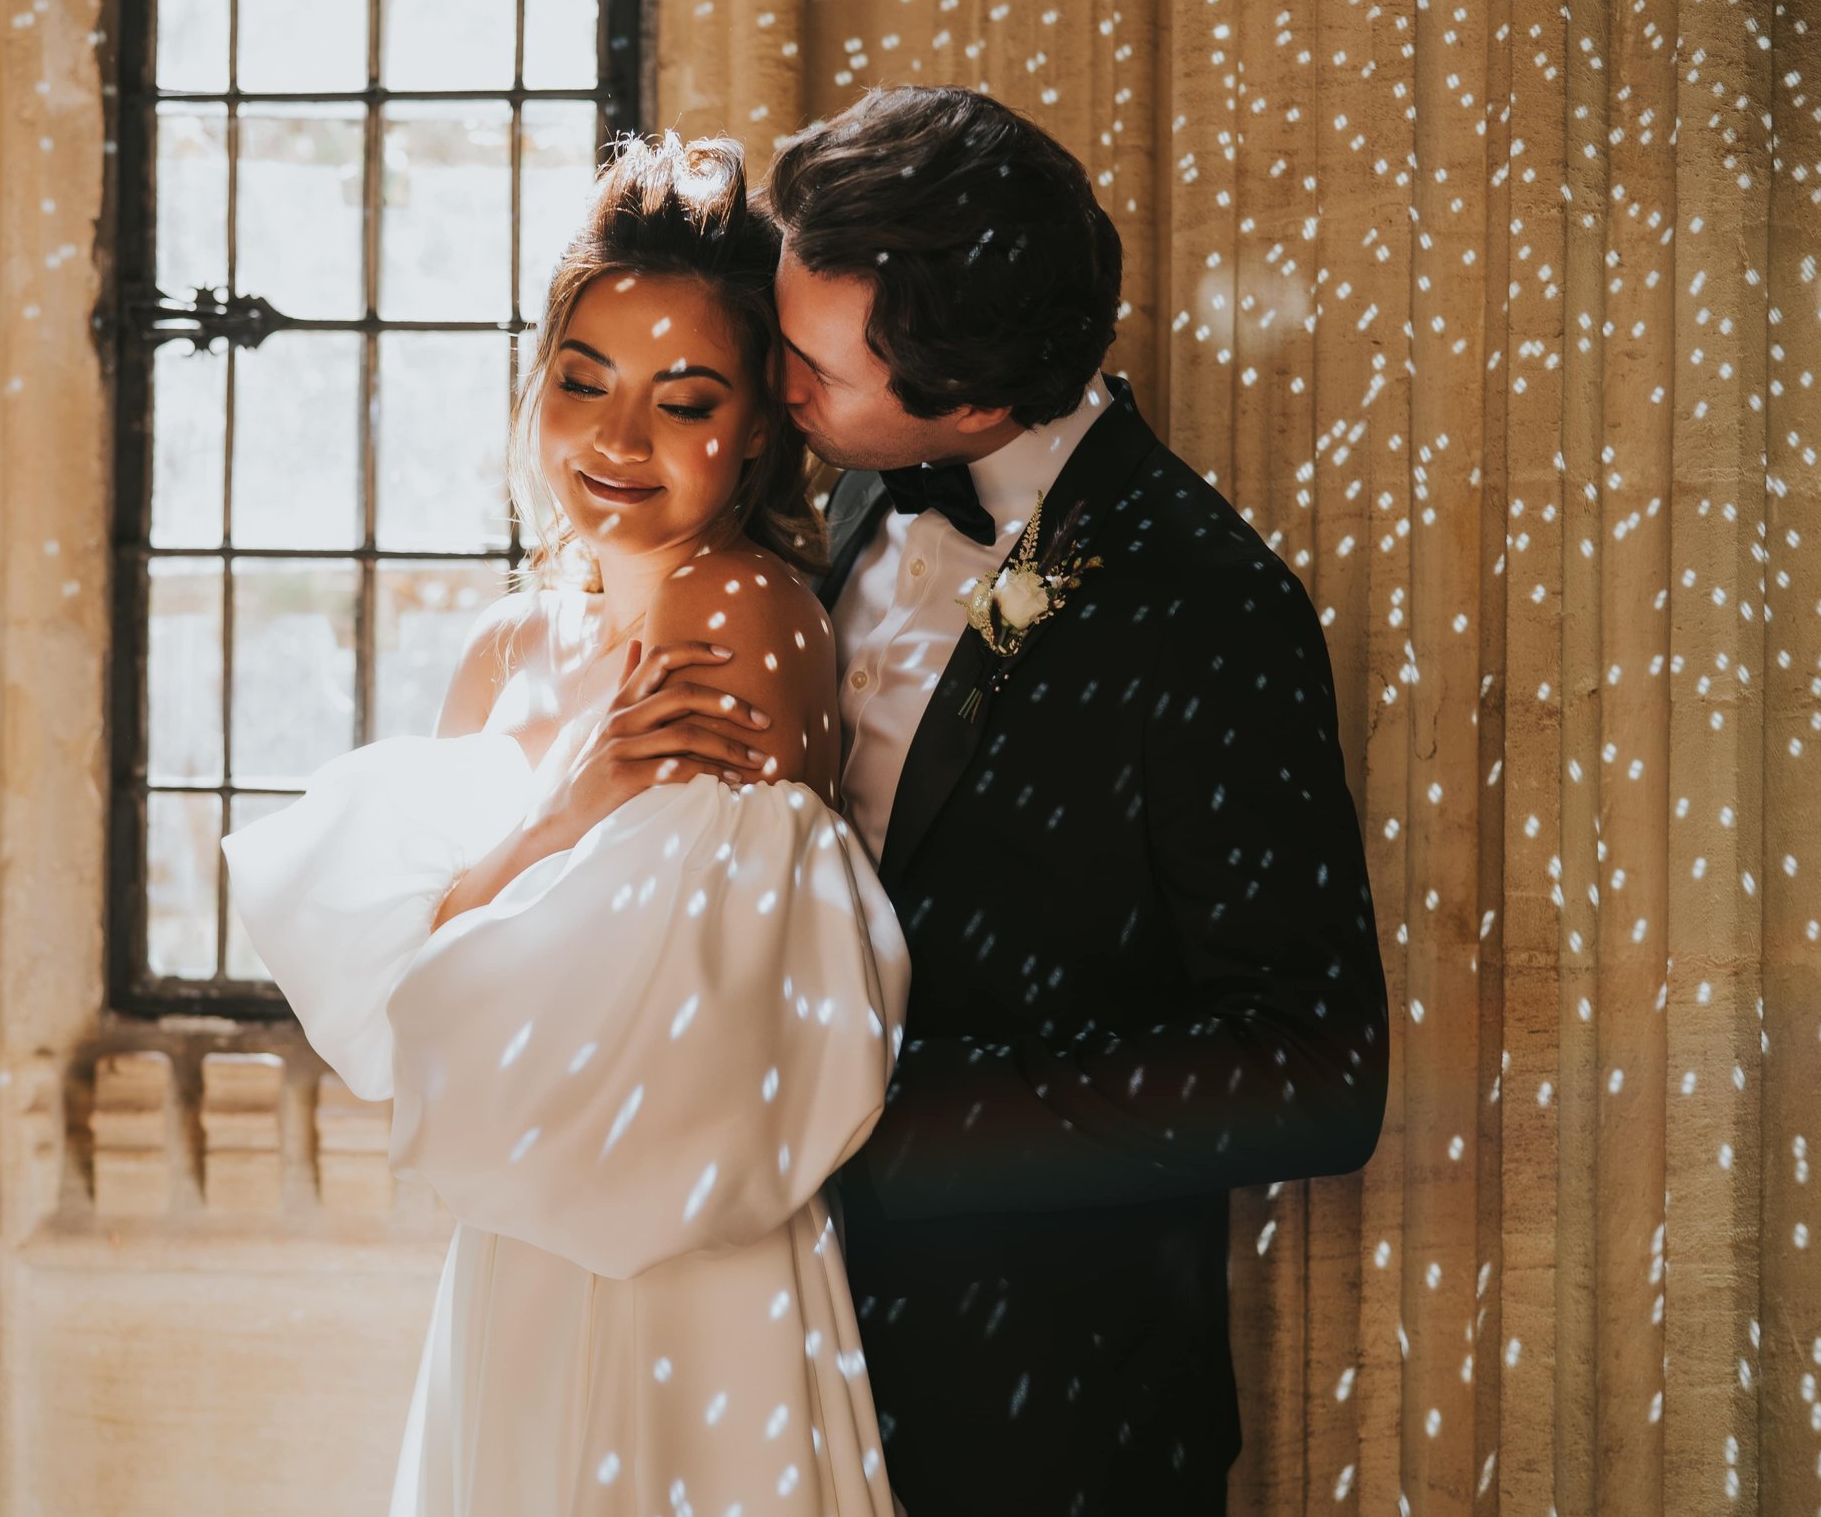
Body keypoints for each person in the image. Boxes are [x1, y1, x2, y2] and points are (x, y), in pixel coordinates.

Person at [221, 133, 910, 1516]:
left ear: (761, 425)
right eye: (583, 381)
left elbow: (660, 1032)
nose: (614, 439)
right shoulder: (505, 646)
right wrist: (567, 809)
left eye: (684, 400)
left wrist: (478, 918)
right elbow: (410, 1011)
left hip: (674, 1251)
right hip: (517, 1248)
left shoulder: (743, 611)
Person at [766, 85, 1391, 1515]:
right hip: (781, 1364)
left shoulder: (1210, 609)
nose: (775, 384)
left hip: (1049, 1421)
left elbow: (1314, 1069)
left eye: (812, 368)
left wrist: (878, 1126)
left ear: (967, 394)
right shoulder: (857, 487)